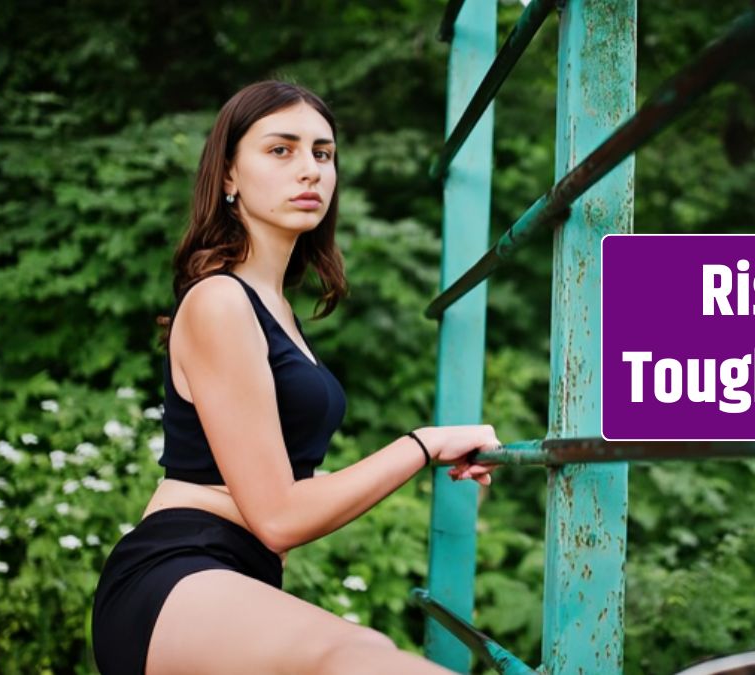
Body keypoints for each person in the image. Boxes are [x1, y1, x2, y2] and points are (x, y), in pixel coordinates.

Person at [91, 80, 498, 675]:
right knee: (363, 660)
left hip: (236, 576)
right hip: (176, 577)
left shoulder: (275, 309)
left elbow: (275, 480)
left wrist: (428, 454)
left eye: (322, 153)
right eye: (280, 150)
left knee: (371, 652)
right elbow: (279, 516)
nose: (309, 170)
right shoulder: (220, 301)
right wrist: (422, 444)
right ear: (228, 175)